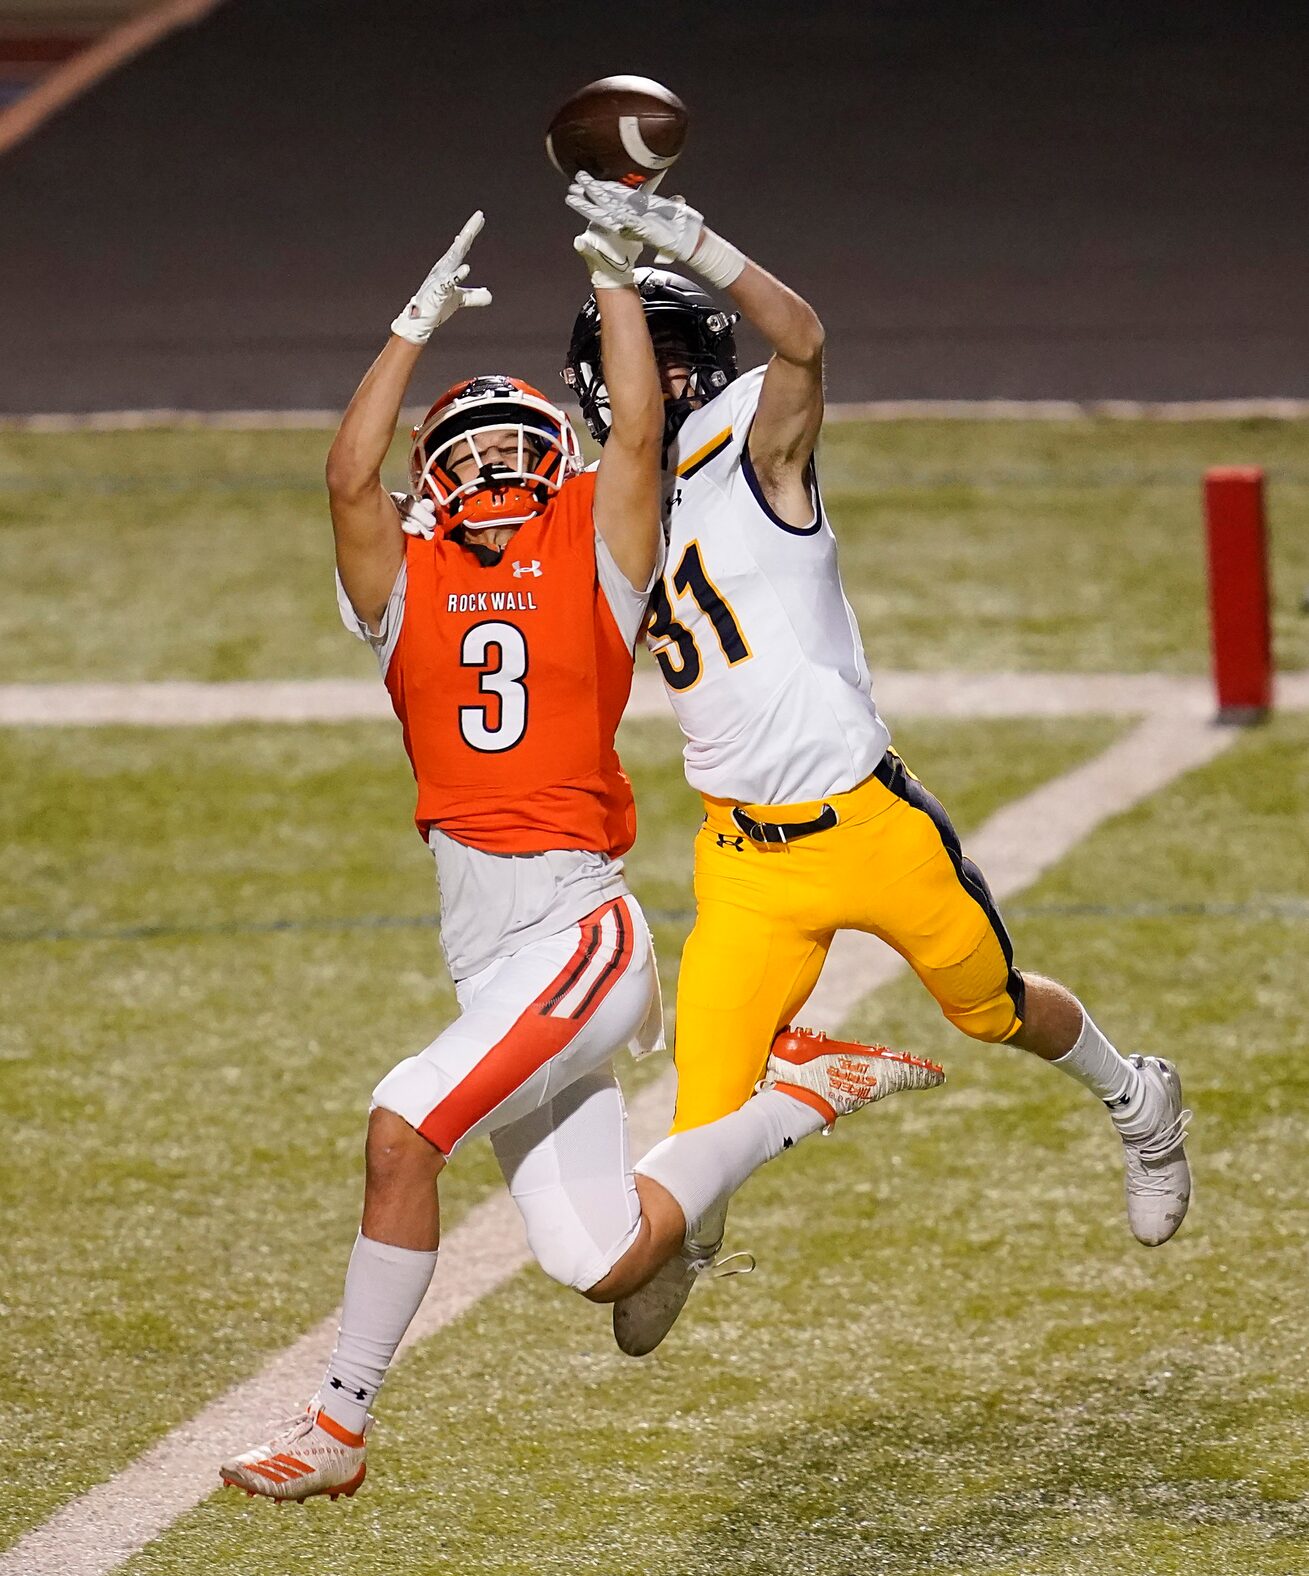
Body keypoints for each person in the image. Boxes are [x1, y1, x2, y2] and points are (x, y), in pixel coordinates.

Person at [220, 213, 944, 1502]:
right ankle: (802, 1094)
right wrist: (408, 330)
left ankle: (336, 1426)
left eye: (514, 443)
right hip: (491, 957)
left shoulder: (595, 558)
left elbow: (638, 440)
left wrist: (612, 277)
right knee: (599, 1258)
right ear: (428, 479)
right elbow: (342, 477)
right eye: (465, 449)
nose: (494, 461)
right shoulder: (402, 582)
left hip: (578, 934)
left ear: (552, 457)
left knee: (403, 1126)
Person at [560, 173, 1193, 1352]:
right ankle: (690, 1240)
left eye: (678, 355)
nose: (672, 379)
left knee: (993, 1011)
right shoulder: (606, 504)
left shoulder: (759, 448)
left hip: (866, 821)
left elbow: (801, 337)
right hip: (741, 855)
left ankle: (1136, 1096)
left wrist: (690, 241)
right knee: (706, 1103)